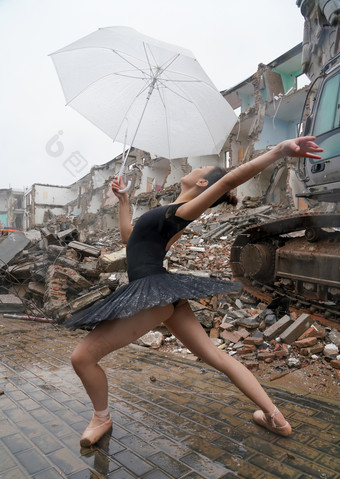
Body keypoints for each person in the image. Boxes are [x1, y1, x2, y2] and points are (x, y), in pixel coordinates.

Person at [67, 137, 323, 447]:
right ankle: (275, 417)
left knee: (82, 358)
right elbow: (129, 241)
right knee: (217, 356)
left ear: (202, 181)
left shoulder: (185, 210)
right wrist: (124, 201)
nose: (193, 165)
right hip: (164, 293)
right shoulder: (170, 212)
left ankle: (102, 417)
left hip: (153, 293)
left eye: (200, 167)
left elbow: (229, 179)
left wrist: (278, 151)